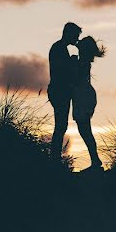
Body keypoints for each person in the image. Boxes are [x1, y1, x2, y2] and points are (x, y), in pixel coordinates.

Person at [48, 22, 82, 161]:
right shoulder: (58, 48)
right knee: (60, 126)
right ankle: (54, 158)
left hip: (60, 91)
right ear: (68, 33)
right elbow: (62, 71)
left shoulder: (60, 48)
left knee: (61, 126)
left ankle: (54, 157)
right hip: (59, 91)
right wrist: (73, 61)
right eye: (76, 36)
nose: (77, 39)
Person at [73, 35, 106, 171]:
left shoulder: (82, 63)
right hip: (84, 96)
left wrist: (72, 63)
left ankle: (95, 160)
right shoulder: (84, 61)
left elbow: (76, 79)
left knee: (85, 130)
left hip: (83, 97)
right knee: (85, 130)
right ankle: (95, 159)